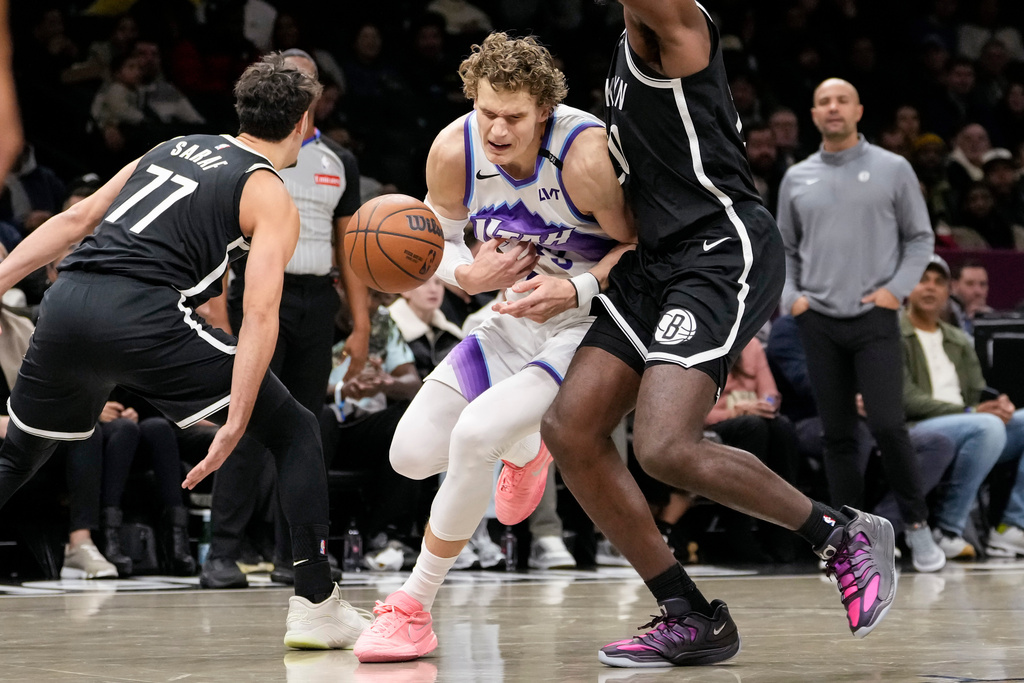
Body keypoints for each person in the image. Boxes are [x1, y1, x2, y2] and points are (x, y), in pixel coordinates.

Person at [542, 3, 899, 669]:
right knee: (570, 427)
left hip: (719, 249)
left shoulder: (677, 20)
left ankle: (839, 533)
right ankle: (688, 612)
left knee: (664, 446)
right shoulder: (625, 42)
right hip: (656, 263)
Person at [0, 53, 370, 649]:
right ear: (304, 120)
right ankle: (316, 602)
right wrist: (240, 418)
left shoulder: (172, 146)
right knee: (298, 430)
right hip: (143, 317)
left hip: (67, 306)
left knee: (18, 457)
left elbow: (76, 222)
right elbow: (259, 314)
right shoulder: (270, 192)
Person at [352, 32, 633, 663]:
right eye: (487, 113)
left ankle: (413, 607)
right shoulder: (454, 148)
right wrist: (465, 277)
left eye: (513, 117)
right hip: (510, 317)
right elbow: (437, 241)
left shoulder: (584, 155)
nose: (498, 130)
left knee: (475, 435)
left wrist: (576, 285)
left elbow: (643, 249)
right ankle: (527, 449)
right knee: (410, 455)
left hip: (586, 323)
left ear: (543, 110)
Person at [196, 49, 368, 590]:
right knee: (244, 420)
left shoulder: (340, 160)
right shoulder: (243, 154)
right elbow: (216, 234)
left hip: (317, 302)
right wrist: (221, 305)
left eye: (304, 78)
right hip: (255, 294)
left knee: (305, 429)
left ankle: (289, 557)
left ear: (318, 92)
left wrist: (359, 323)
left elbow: (353, 250)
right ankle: (220, 554)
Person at [777, 77, 947, 573]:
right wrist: (793, 298)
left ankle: (917, 527)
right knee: (838, 435)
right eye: (824, 101)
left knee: (890, 425)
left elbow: (920, 238)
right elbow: (784, 247)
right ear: (814, 114)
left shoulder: (893, 168)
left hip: (875, 315)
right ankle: (853, 539)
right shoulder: (796, 177)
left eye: (842, 100)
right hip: (819, 320)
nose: (833, 108)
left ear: (858, 110)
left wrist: (896, 291)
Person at [900, 254, 1024, 559]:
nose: (930, 288)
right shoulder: (893, 334)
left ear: (948, 291)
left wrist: (998, 404)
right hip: (918, 426)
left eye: (938, 282)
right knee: (987, 425)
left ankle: (1011, 527)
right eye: (922, 280)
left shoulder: (958, 339)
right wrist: (973, 413)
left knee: (1011, 421)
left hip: (972, 425)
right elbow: (906, 399)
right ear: (906, 286)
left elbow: (976, 392)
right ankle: (947, 528)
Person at [950, 259, 993, 336]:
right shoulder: (943, 320)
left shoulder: (995, 319)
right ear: (954, 286)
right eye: (970, 284)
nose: (978, 291)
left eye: (983, 284)